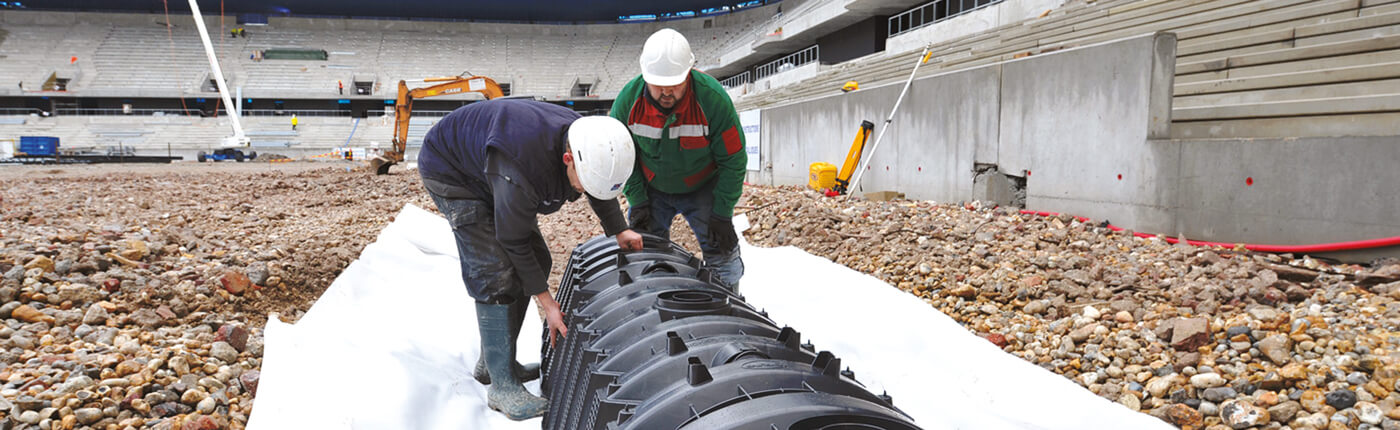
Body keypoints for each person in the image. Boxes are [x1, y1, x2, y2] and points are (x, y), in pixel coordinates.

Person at [417, 99, 643, 420]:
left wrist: (620, 231)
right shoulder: (523, 163)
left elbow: (599, 185)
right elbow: (512, 239)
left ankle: (496, 363)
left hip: (491, 166)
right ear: (568, 159)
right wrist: (547, 305)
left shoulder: (588, 140)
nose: (585, 191)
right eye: (584, 182)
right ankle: (502, 386)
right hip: (453, 173)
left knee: (539, 259)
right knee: (493, 272)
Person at [609, 28, 747, 290]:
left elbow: (733, 160)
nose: (667, 92)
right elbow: (623, 157)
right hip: (652, 190)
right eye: (659, 85)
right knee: (644, 253)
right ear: (645, 77)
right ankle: (652, 300)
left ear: (688, 74)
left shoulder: (713, 100)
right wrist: (637, 200)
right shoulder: (628, 102)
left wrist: (722, 212)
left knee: (722, 250)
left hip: (703, 186)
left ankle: (729, 303)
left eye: (675, 84)